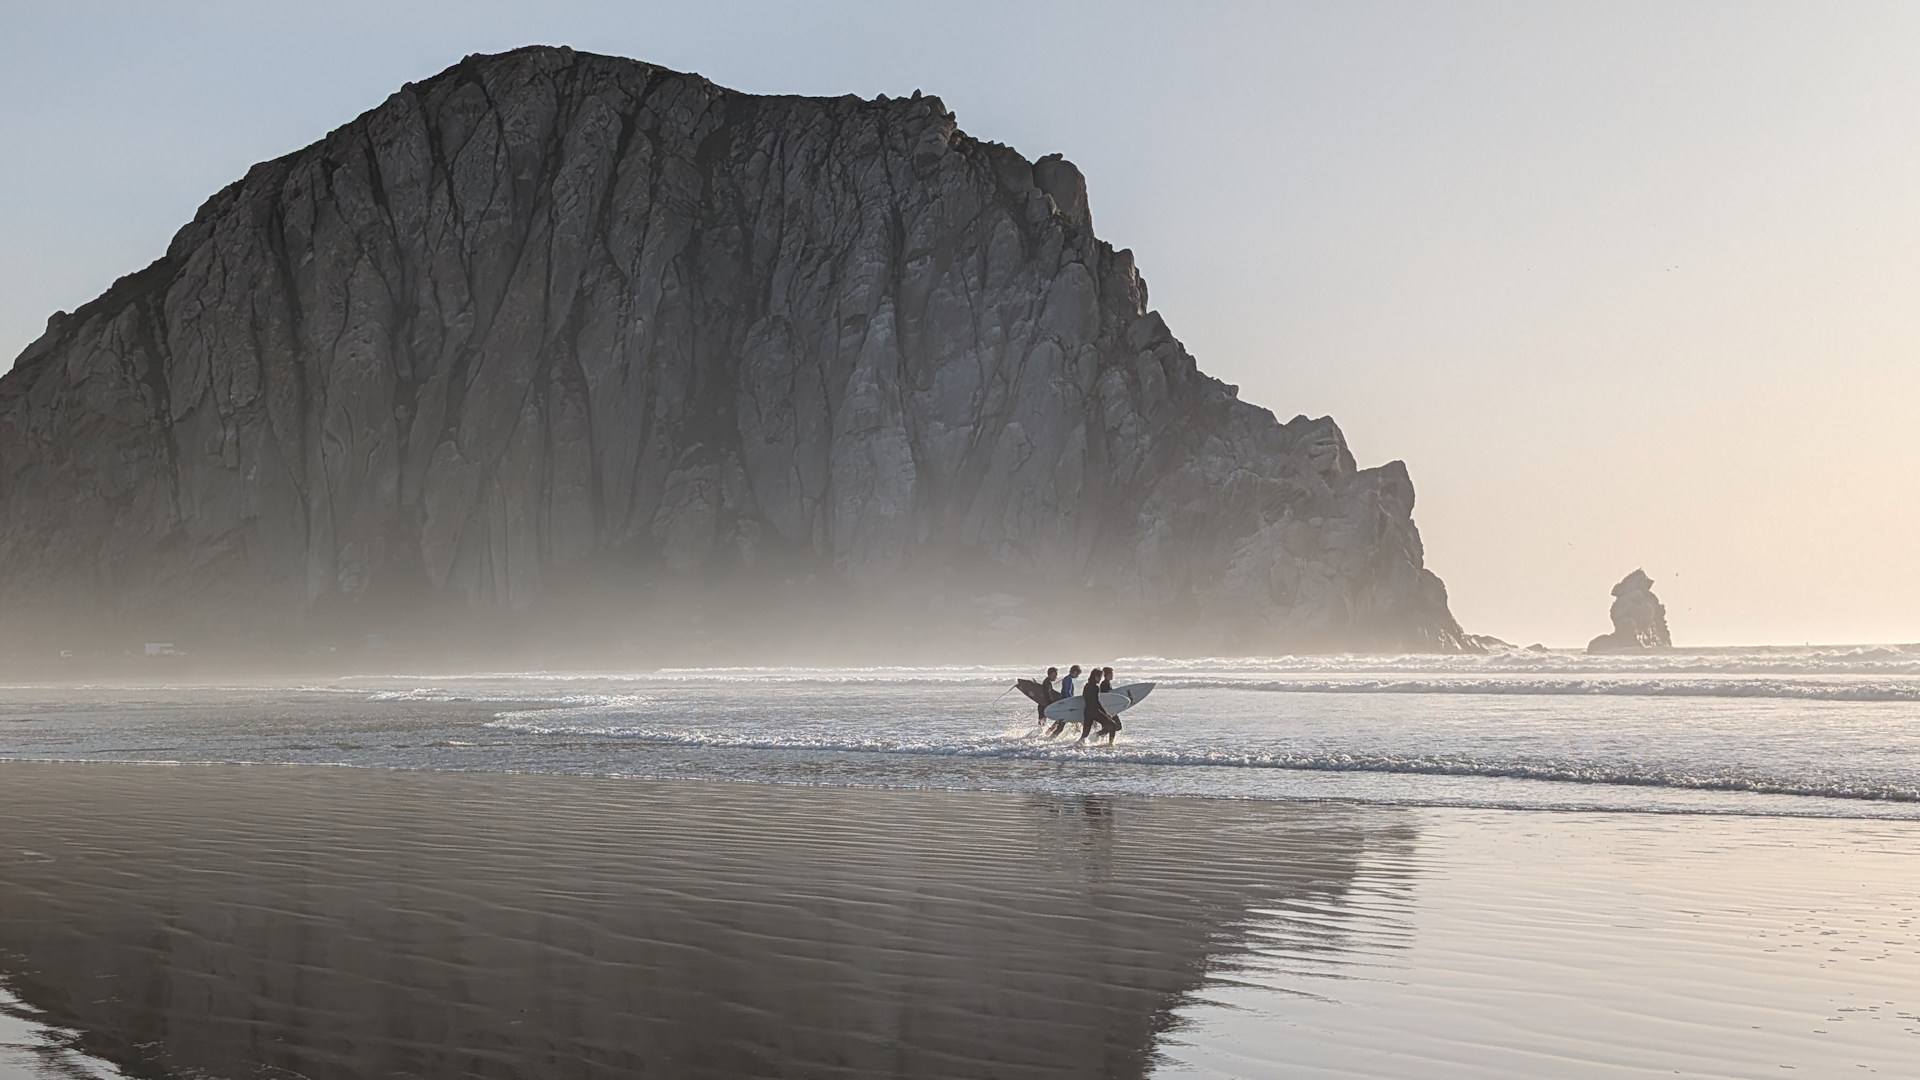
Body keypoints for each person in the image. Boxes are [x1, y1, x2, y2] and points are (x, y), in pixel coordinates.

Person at [1076, 663, 1112, 744]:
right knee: (1111, 725)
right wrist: (1105, 713)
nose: (1100, 679)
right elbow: (1096, 702)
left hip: (1087, 711)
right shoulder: (1096, 687)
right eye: (1100, 677)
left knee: (1085, 733)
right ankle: (1102, 739)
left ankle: (1076, 746)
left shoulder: (1086, 686)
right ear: (1096, 677)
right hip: (1094, 711)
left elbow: (1086, 698)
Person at [1044, 666, 1082, 739]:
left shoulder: (1067, 678)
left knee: (1059, 723)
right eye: (1077, 674)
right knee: (1061, 726)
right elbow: (1067, 692)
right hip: (1066, 705)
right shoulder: (1068, 679)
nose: (1077, 676)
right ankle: (1050, 739)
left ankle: (1047, 734)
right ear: (1074, 672)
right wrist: (1072, 700)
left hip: (1064, 703)